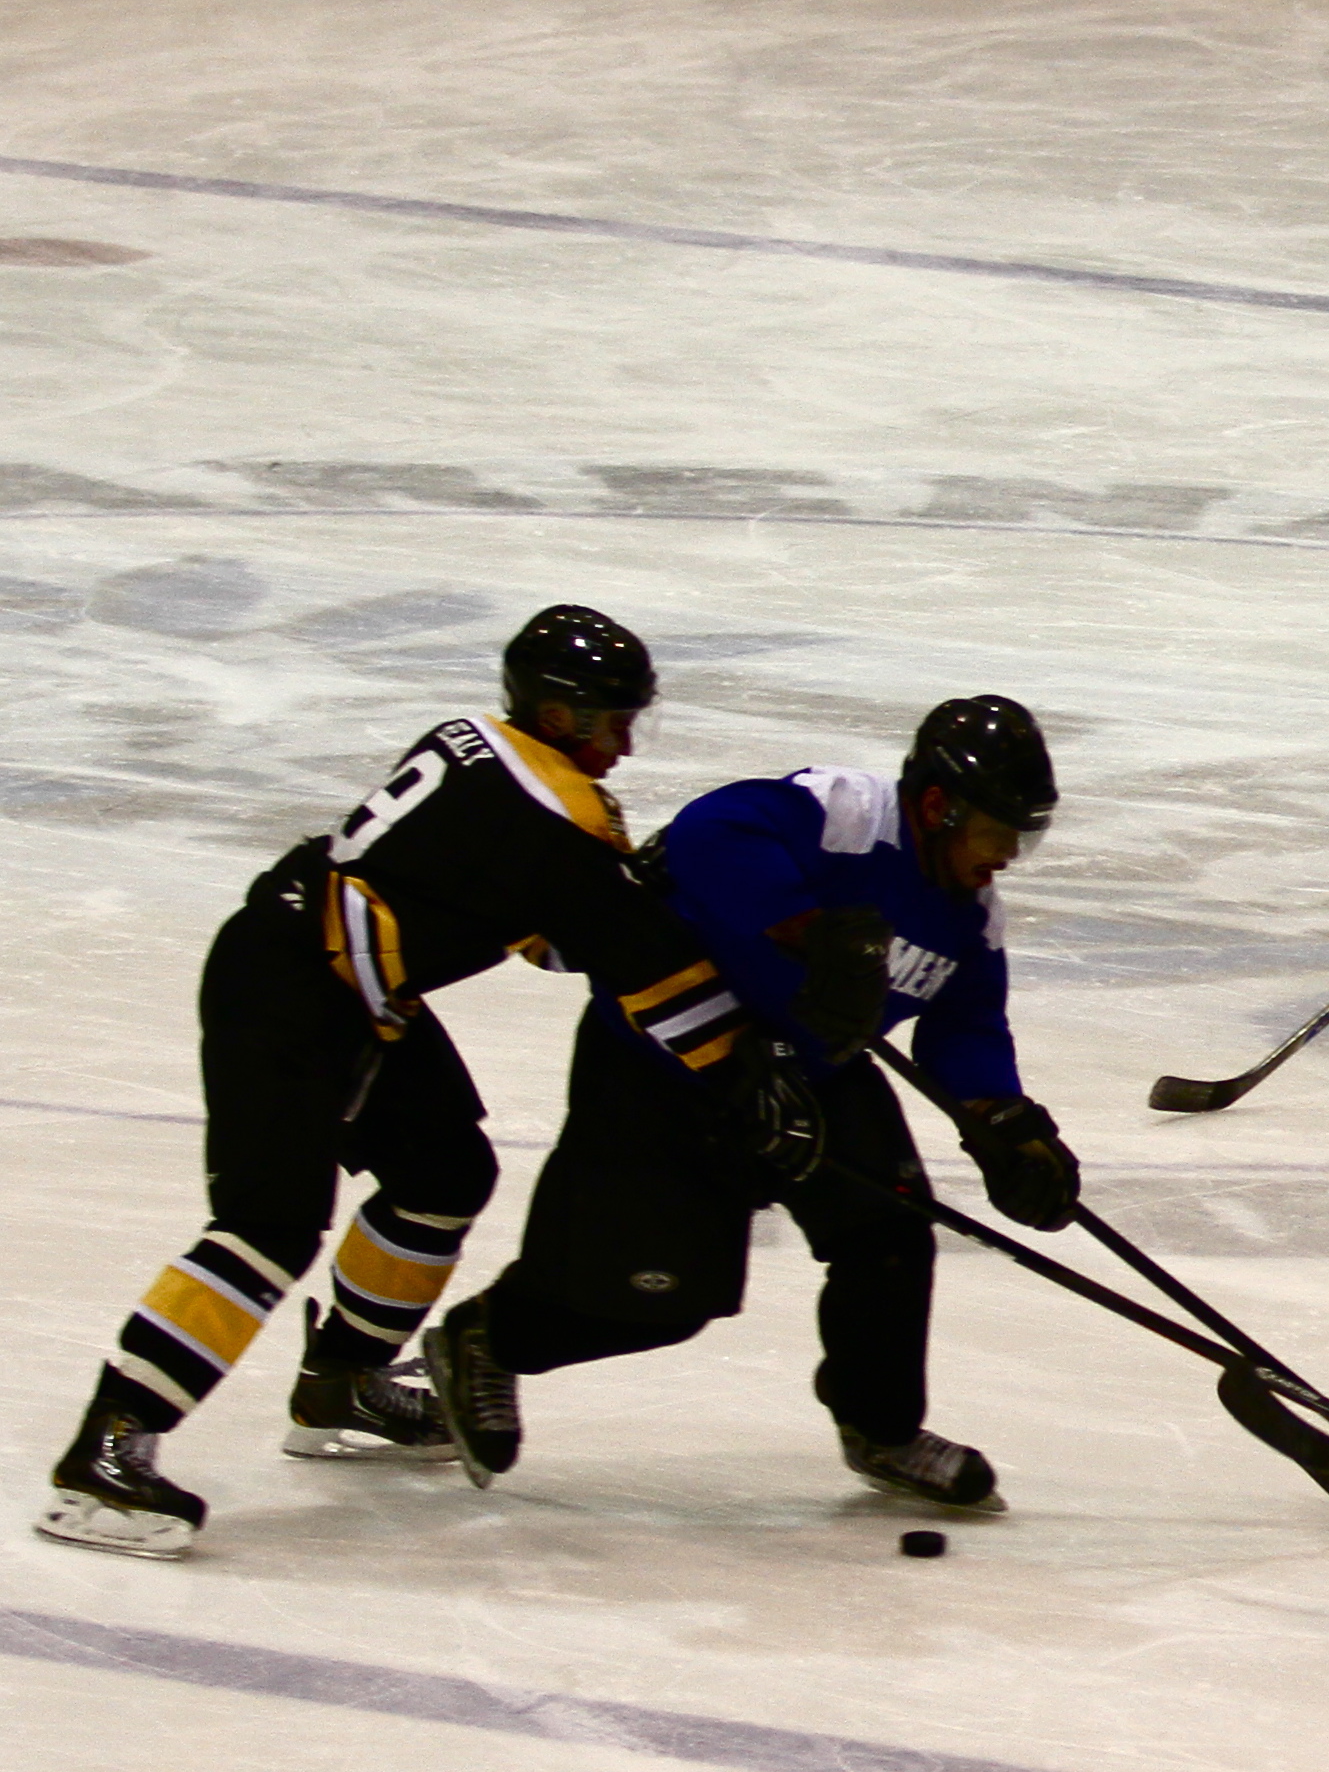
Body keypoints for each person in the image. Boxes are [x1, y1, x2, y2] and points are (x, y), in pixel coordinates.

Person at [35, 607, 787, 1560]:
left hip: (341, 984)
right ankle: (105, 1448)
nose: (625, 745)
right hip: (290, 992)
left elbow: (539, 927)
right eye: (611, 722)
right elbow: (650, 977)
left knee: (444, 1173)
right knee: (267, 1225)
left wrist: (616, 893)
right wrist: (751, 1074)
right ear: (556, 715)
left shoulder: (480, 746)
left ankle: (341, 1383)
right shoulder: (557, 815)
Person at [427, 698, 1078, 1514]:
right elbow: (705, 833)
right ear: (937, 805)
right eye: (997, 830)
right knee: (660, 1299)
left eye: (1024, 835)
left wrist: (1003, 1124)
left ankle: (880, 1427)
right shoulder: (843, 814)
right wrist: (805, 930)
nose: (1008, 855)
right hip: (669, 1063)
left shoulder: (970, 916)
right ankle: (491, 1336)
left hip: (816, 1074)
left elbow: (965, 1024)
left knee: (889, 1229)